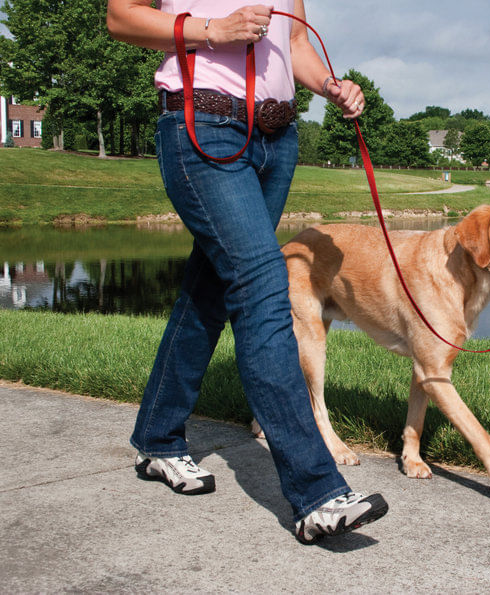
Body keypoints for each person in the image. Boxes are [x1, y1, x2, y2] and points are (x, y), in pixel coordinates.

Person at [106, 0, 388, 544]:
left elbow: (295, 45)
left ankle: (158, 439)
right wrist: (212, 30)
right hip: (202, 128)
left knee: (210, 290)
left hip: (276, 142)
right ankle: (318, 494)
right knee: (262, 288)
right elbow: (121, 17)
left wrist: (329, 86)